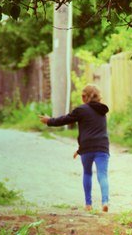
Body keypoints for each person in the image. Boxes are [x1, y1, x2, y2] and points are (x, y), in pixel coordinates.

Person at [39, 84, 110, 212]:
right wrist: (79, 150)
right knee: (102, 175)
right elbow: (95, 132)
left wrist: (49, 121)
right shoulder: (102, 112)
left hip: (87, 148)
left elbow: (65, 120)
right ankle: (105, 201)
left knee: (87, 173)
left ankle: (88, 204)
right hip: (102, 147)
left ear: (84, 97)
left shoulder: (81, 110)